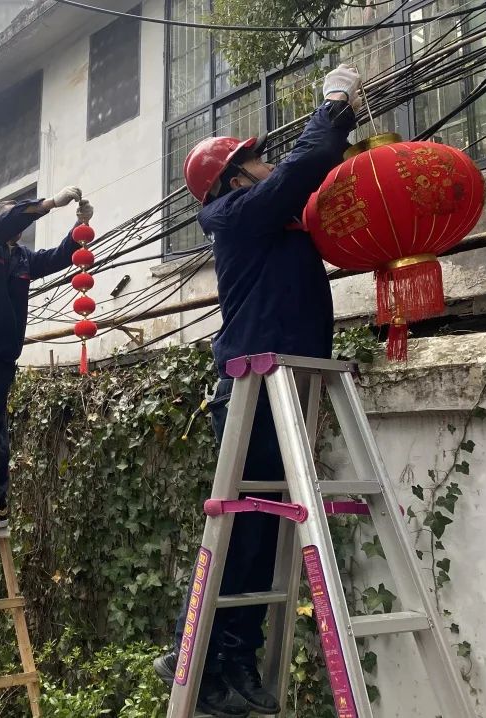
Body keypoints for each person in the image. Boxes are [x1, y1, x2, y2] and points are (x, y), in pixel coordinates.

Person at [152, 65, 363, 717]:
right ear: (231, 177)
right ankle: (203, 656)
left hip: (283, 382)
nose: (268, 164)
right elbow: (309, 162)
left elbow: (313, 179)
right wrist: (332, 105)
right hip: (249, 388)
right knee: (243, 526)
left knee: (261, 532)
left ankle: (234, 656)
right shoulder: (239, 213)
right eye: (256, 158)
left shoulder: (268, 219)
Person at [0, 187, 93, 531]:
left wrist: (80, 227)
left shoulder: (23, 258)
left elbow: (58, 257)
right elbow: (13, 217)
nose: (20, 222)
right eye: (14, 215)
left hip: (0, 357)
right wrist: (50, 202)